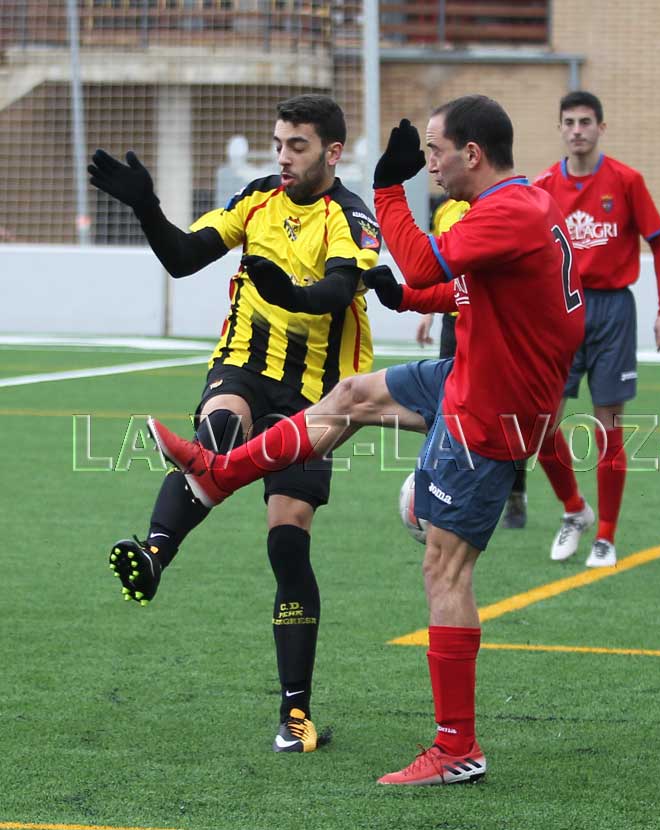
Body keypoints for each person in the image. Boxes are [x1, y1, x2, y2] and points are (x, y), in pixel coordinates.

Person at [144, 95, 585, 785]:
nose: (428, 163)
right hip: (475, 375)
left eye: (435, 151)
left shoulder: (503, 212)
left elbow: (427, 262)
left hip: (492, 410)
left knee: (445, 571)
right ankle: (217, 473)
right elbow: (468, 289)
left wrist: (387, 188)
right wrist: (406, 300)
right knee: (349, 396)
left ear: (472, 155)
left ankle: (457, 749)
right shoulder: (523, 205)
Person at [88, 94, 382, 753]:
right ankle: (155, 554)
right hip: (243, 366)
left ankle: (295, 714)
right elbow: (183, 256)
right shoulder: (256, 198)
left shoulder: (352, 215)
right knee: (218, 432)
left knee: (287, 545)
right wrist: (146, 207)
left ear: (332, 152)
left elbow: (340, 289)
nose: (283, 155)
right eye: (278, 143)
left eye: (297, 145)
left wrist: (289, 293)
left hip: (315, 397)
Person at [534, 91, 660, 568]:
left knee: (608, 428)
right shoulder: (543, 187)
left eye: (586, 122)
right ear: (560, 128)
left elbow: (659, 243)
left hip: (614, 311)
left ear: (601, 127)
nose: (577, 130)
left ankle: (606, 536)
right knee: (540, 425)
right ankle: (575, 509)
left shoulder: (626, 181)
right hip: (561, 311)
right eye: (569, 122)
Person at [416, 196, 528, 529]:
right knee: (444, 410)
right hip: (454, 322)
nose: (435, 171)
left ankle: (515, 493)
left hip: (493, 326)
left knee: (505, 418)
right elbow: (439, 265)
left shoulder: (499, 209)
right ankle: (443, 490)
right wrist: (428, 314)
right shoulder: (443, 211)